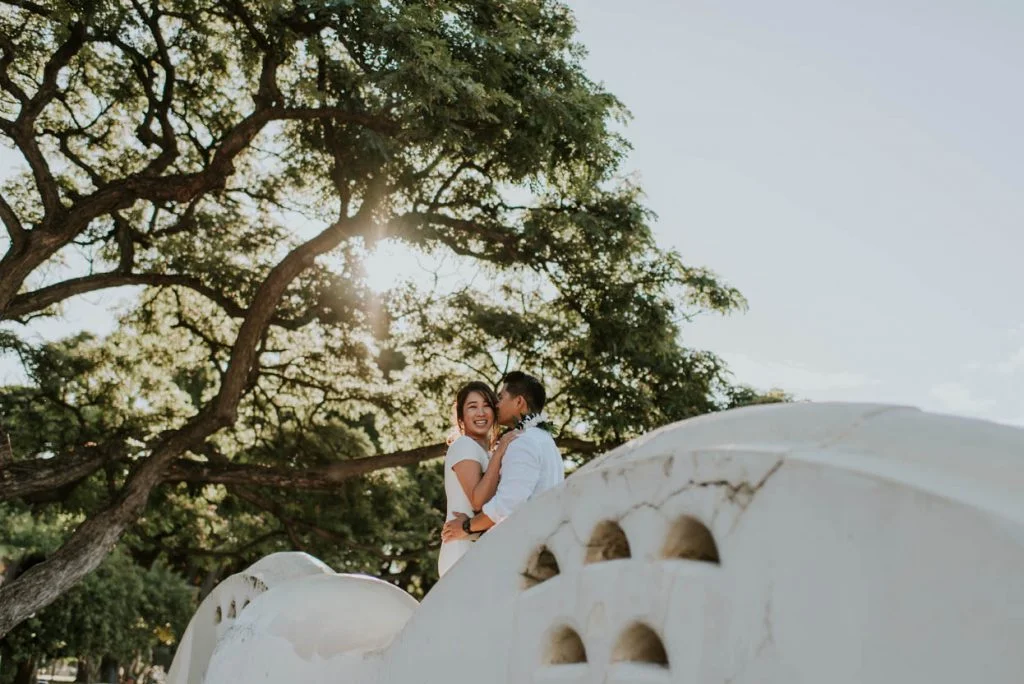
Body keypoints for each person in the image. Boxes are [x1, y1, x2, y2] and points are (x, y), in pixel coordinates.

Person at [441, 371, 564, 545]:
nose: (496, 405)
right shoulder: (545, 441)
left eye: (500, 398)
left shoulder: (522, 441)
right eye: (472, 407)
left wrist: (467, 527)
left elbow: (506, 505)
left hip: (523, 546)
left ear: (519, 402)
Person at [437, 381, 520, 577]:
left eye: (486, 405)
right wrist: (500, 452)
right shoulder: (464, 445)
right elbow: (479, 500)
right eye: (472, 407)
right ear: (461, 417)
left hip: (477, 545)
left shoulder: (486, 453)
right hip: (461, 549)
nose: (481, 412)